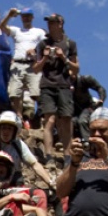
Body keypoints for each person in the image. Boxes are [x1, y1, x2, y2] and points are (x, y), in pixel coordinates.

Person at [32, 13, 78, 156]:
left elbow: (76, 68)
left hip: (64, 84)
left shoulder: (70, 43)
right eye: (48, 23)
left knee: (66, 119)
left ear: (60, 24)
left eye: (52, 22)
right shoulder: (42, 44)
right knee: (49, 120)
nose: (50, 25)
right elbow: (35, 68)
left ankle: (67, 154)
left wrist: (63, 57)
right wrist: (45, 57)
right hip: (47, 85)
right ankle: (48, 155)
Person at [0, 110, 54, 189]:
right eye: (3, 128)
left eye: (9, 129)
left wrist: (51, 183)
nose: (6, 132)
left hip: (14, 185)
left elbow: (35, 164)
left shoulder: (18, 145)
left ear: (15, 131)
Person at [0, 7, 46, 120]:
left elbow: (46, 45)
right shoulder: (17, 31)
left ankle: (40, 117)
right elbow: (2, 27)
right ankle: (19, 117)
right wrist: (9, 15)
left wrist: (35, 51)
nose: (26, 18)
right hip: (18, 64)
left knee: (36, 92)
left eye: (28, 16)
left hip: (33, 64)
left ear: (32, 17)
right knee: (15, 93)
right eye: (24, 16)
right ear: (21, 17)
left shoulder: (38, 32)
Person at [73, 74, 107, 142]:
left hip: (89, 107)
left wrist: (101, 99)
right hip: (75, 110)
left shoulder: (84, 79)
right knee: (71, 122)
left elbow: (100, 88)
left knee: (82, 121)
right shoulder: (63, 83)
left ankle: (87, 142)